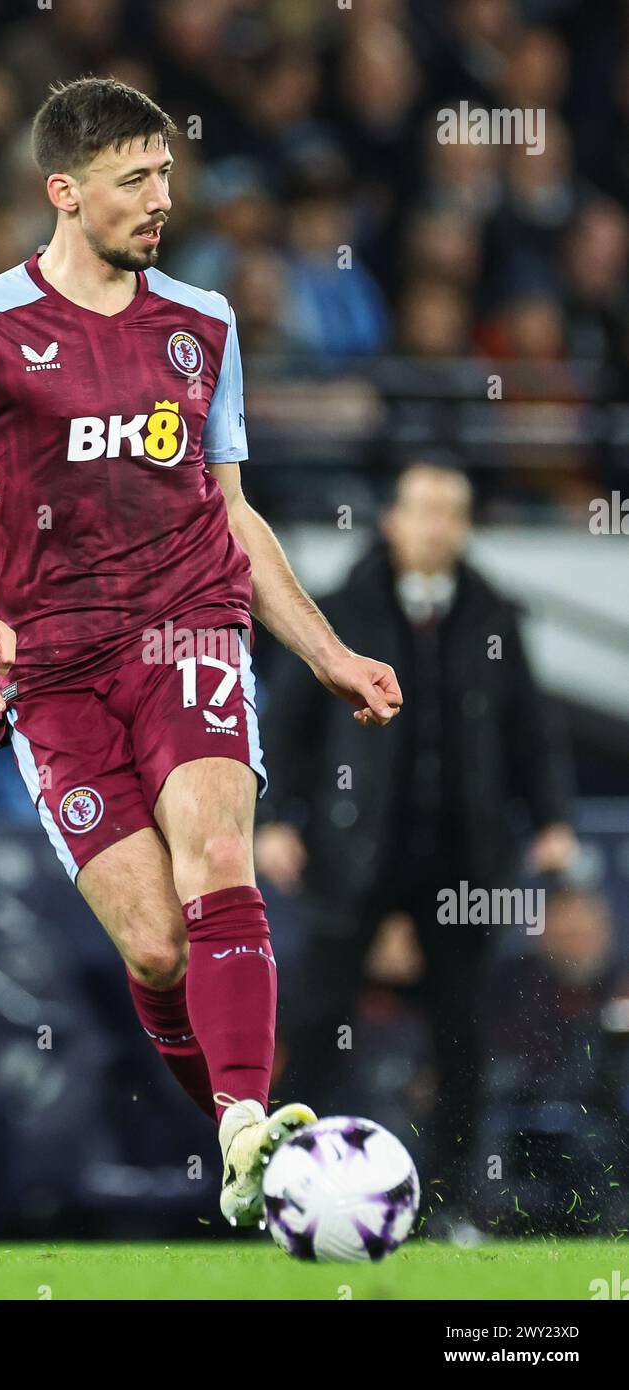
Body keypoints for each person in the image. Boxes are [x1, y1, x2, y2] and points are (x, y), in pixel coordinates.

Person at [0, 77, 402, 1228]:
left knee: (218, 856)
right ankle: (240, 1137)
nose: (160, 198)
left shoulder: (201, 324)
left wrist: (323, 650)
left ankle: (251, 1128)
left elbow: (234, 512)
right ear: (64, 192)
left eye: (165, 173)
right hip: (47, 673)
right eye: (133, 180)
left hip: (185, 629)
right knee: (157, 947)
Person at [256, 462, 577, 1219]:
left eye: (453, 512)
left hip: (463, 860)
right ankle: (287, 1189)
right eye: (425, 510)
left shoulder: (495, 614)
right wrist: (271, 820)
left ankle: (451, 1204)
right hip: (352, 853)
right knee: (319, 1026)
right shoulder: (337, 609)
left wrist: (552, 819)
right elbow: (289, 724)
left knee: (461, 1035)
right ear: (393, 519)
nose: (439, 526)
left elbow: (531, 728)